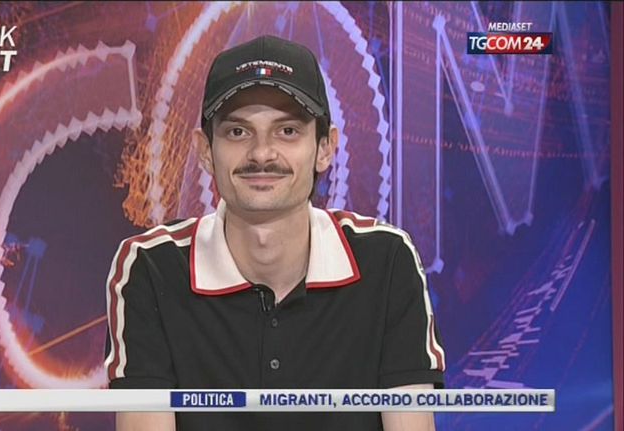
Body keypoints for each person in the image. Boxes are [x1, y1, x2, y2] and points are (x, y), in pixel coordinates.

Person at [105, 35, 445, 431]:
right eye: (238, 132)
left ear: (325, 147)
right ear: (204, 151)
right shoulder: (150, 266)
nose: (262, 153)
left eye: (287, 131)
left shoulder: (386, 259)